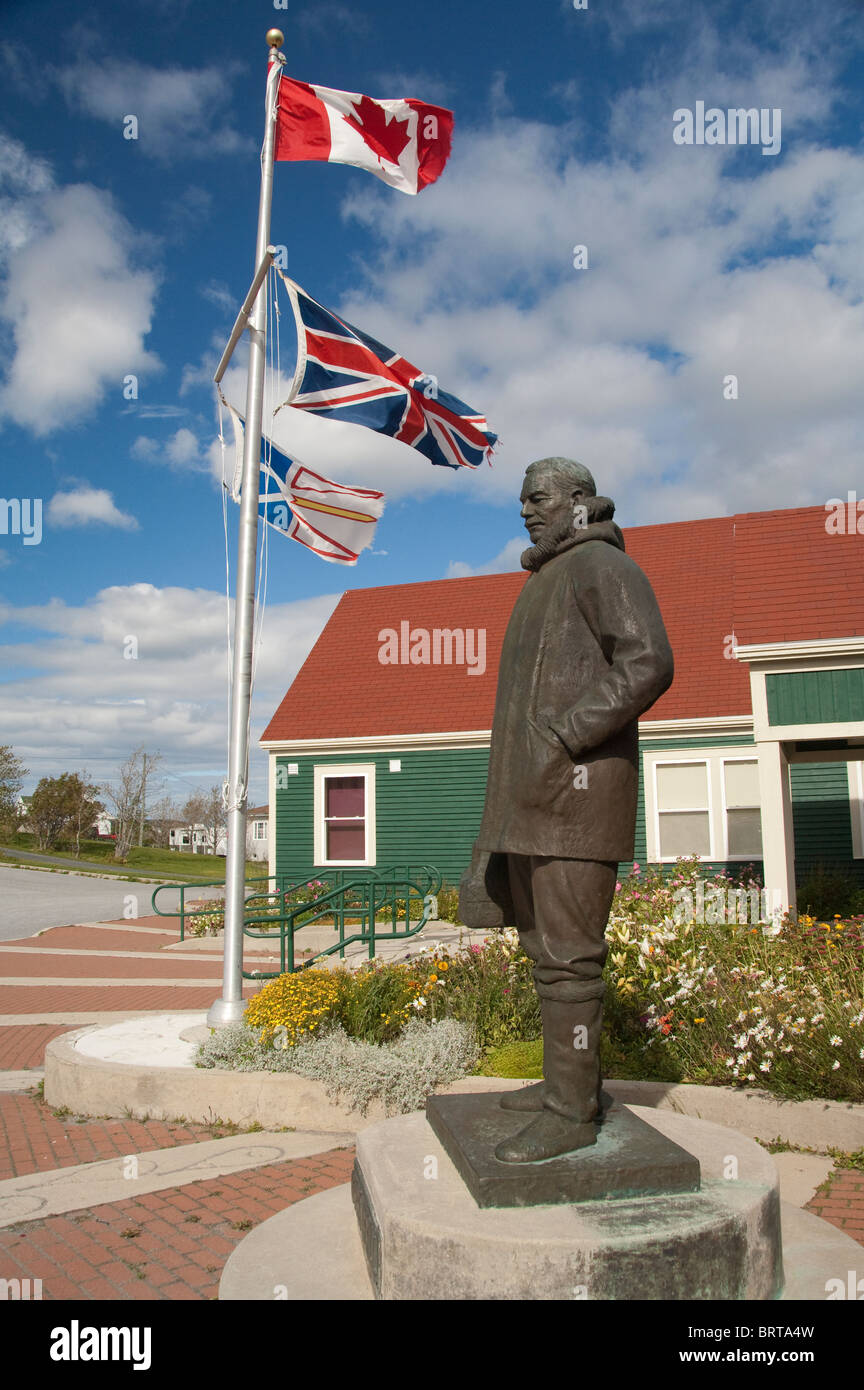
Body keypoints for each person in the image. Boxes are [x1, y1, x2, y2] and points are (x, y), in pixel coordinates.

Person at [467, 456, 674, 1163]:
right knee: (544, 952)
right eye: (522, 498)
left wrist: (565, 733)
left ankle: (570, 1114)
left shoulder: (600, 567)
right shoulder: (545, 578)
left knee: (569, 960)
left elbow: (648, 661)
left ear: (580, 501)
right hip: (535, 800)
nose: (526, 508)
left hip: (576, 801)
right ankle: (569, 1087)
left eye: (540, 497)